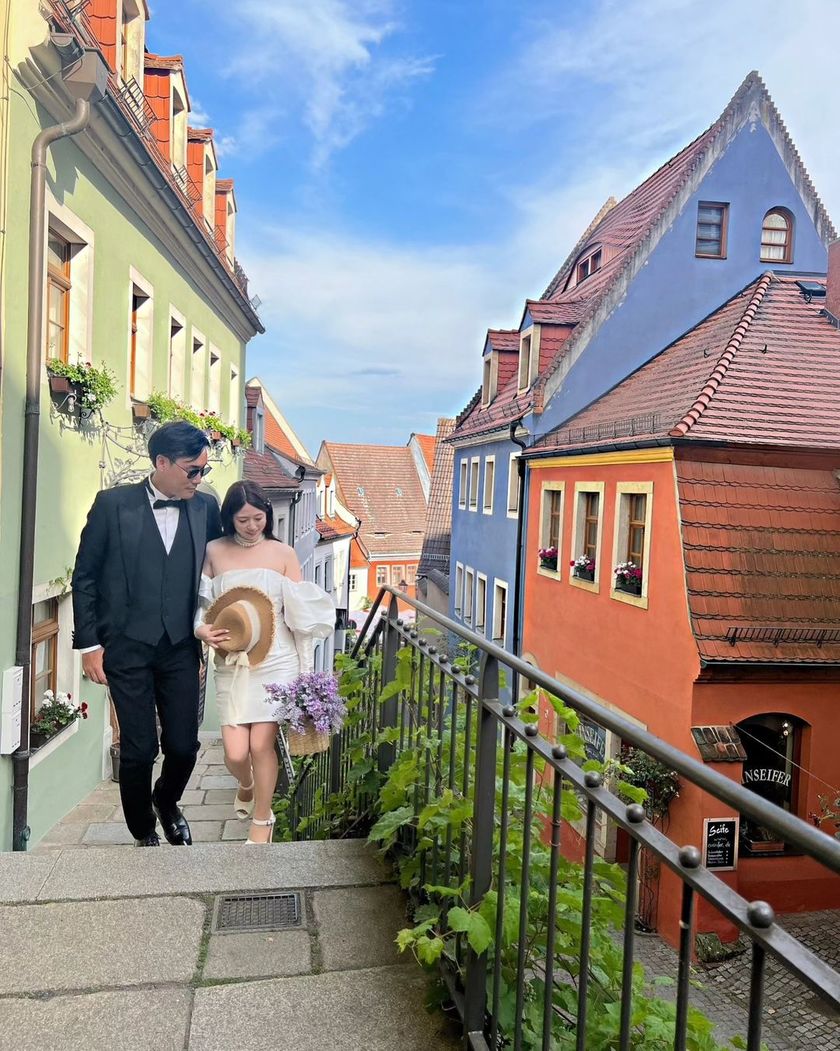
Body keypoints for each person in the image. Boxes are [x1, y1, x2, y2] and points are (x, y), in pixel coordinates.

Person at [71, 421, 222, 846]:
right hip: (126, 647)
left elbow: (224, 563)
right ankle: (143, 829)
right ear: (161, 463)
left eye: (203, 471)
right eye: (193, 470)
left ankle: (167, 801)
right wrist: (90, 645)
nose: (200, 479)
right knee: (138, 751)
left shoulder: (205, 508)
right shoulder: (112, 505)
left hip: (179, 647)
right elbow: (84, 578)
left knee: (183, 747)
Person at [195, 479, 334, 844]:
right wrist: (199, 631)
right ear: (230, 519)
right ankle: (246, 783)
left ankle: (262, 820)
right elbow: (202, 605)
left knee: (261, 745)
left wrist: (306, 673)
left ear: (267, 517)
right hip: (233, 662)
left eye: (258, 518)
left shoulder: (284, 553)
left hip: (278, 660)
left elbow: (299, 618)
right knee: (236, 752)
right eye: (244, 520)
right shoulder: (213, 550)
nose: (253, 526)